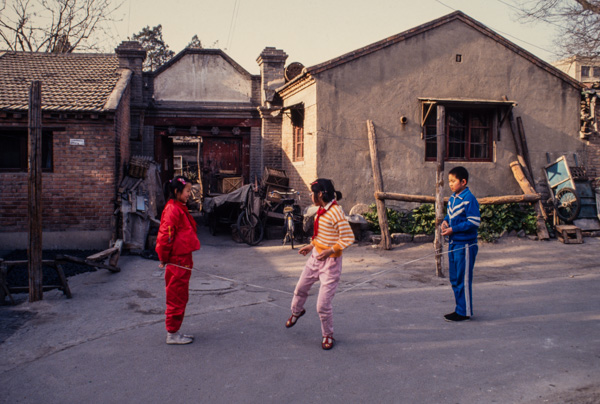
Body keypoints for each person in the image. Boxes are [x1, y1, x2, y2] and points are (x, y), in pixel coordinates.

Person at [285, 179, 355, 350]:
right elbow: (322, 234)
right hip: (316, 257)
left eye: (312, 192)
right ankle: (297, 311)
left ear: (321, 194)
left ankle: (328, 335)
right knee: (300, 288)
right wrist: (311, 246)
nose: (310, 195)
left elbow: (348, 237)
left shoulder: (336, 212)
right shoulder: (322, 210)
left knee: (322, 305)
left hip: (330, 263)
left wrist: (330, 251)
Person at [155, 176, 201, 344]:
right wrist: (163, 257)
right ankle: (172, 333)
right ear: (177, 192)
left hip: (183, 259)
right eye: (188, 191)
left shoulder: (178, 207)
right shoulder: (172, 209)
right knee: (176, 296)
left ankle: (175, 331)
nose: (190, 194)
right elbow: (164, 238)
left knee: (181, 295)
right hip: (177, 261)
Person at [441, 166, 480, 322]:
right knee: (455, 278)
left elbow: (474, 221)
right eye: (449, 181)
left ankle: (464, 312)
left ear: (463, 182)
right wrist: (445, 222)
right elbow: (451, 215)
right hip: (453, 244)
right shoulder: (453, 198)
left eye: (453, 181)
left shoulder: (469, 199)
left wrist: (453, 229)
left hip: (465, 245)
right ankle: (459, 309)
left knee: (463, 279)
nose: (450, 184)